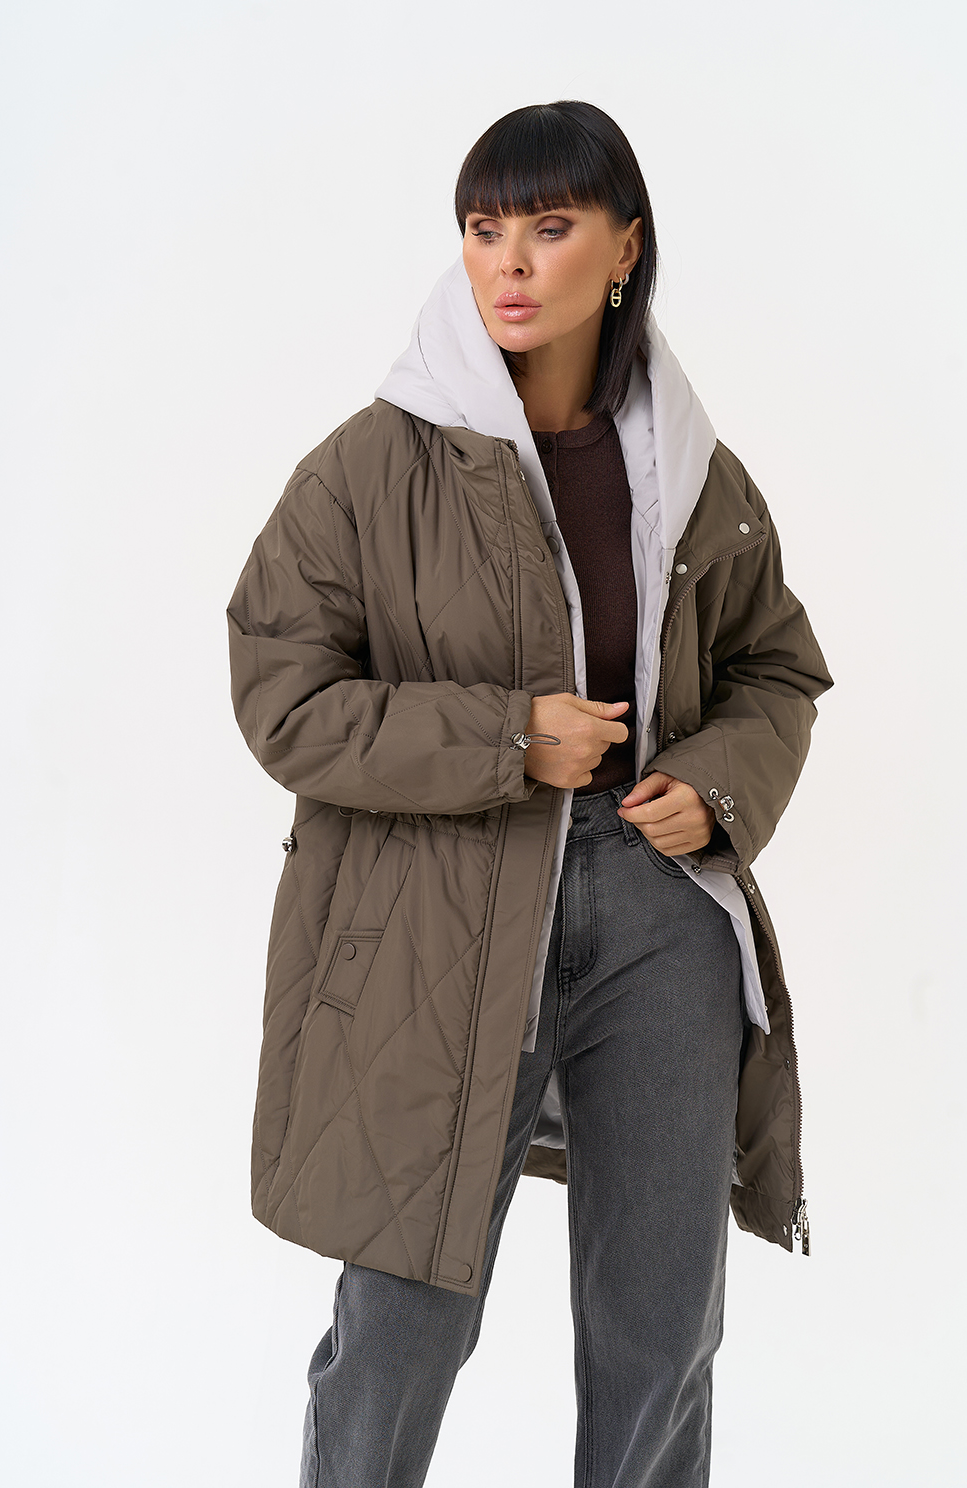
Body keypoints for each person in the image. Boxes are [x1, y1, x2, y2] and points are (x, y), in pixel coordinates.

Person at [227, 100, 833, 1488]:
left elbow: (777, 668)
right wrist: (504, 739)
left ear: (625, 249)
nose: (507, 259)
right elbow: (283, 693)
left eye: (550, 227)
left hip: (660, 910)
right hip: (440, 916)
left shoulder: (692, 470)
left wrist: (715, 784)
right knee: (402, 1323)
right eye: (484, 226)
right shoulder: (372, 468)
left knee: (661, 1327)